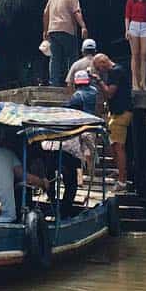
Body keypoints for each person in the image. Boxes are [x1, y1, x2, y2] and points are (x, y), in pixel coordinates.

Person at [45, 69, 99, 211]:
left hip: (60, 150)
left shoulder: (76, 97)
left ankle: (54, 202)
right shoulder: (93, 92)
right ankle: (66, 206)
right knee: (71, 181)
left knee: (53, 176)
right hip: (78, 142)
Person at [91, 52, 132, 191]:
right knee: (112, 145)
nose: (99, 71)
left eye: (98, 68)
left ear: (103, 62)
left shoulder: (115, 72)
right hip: (116, 112)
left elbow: (109, 92)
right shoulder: (116, 71)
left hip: (121, 113)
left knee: (118, 146)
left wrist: (98, 81)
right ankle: (121, 171)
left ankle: (122, 181)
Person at [43, 0, 88, 89]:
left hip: (53, 30)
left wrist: (45, 30)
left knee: (55, 59)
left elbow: (45, 13)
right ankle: (72, 83)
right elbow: (76, 13)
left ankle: (54, 84)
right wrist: (83, 26)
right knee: (72, 57)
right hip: (67, 29)